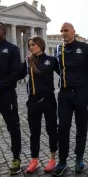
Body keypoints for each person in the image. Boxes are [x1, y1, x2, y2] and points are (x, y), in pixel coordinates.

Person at [52, 22, 88, 176]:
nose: (63, 33)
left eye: (66, 30)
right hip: (64, 93)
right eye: (61, 30)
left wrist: (78, 79)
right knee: (62, 128)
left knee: (81, 127)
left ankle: (79, 158)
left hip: (81, 92)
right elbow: (58, 68)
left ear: (74, 32)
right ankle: (62, 161)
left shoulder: (84, 48)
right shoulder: (58, 48)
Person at [20, 37, 59, 173]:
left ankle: (53, 159)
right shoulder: (28, 61)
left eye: (33, 45)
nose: (31, 47)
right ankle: (34, 160)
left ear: (41, 45)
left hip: (48, 101)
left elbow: (64, 74)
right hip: (33, 102)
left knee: (51, 130)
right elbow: (18, 74)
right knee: (34, 132)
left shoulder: (51, 60)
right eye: (29, 45)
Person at [0, 22, 22, 175]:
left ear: (3, 31)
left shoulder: (12, 49)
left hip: (6, 94)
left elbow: (16, 73)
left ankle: (16, 157)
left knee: (12, 126)